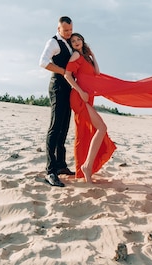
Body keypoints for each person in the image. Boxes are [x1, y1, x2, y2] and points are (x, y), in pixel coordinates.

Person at [63, 33, 116, 183]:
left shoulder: (86, 57)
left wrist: (92, 55)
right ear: (72, 45)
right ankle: (86, 166)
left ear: (83, 41)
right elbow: (67, 75)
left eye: (78, 39)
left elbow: (97, 73)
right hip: (79, 97)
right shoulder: (75, 56)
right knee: (101, 127)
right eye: (73, 41)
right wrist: (81, 92)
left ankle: (86, 167)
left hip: (87, 97)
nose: (76, 42)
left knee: (85, 132)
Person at [38, 16, 76, 187]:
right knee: (54, 128)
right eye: (65, 30)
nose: (68, 33)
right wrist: (62, 71)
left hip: (68, 89)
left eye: (70, 30)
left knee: (64, 127)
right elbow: (43, 62)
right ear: (58, 28)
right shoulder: (53, 43)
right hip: (57, 88)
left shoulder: (70, 42)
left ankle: (61, 165)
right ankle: (50, 170)